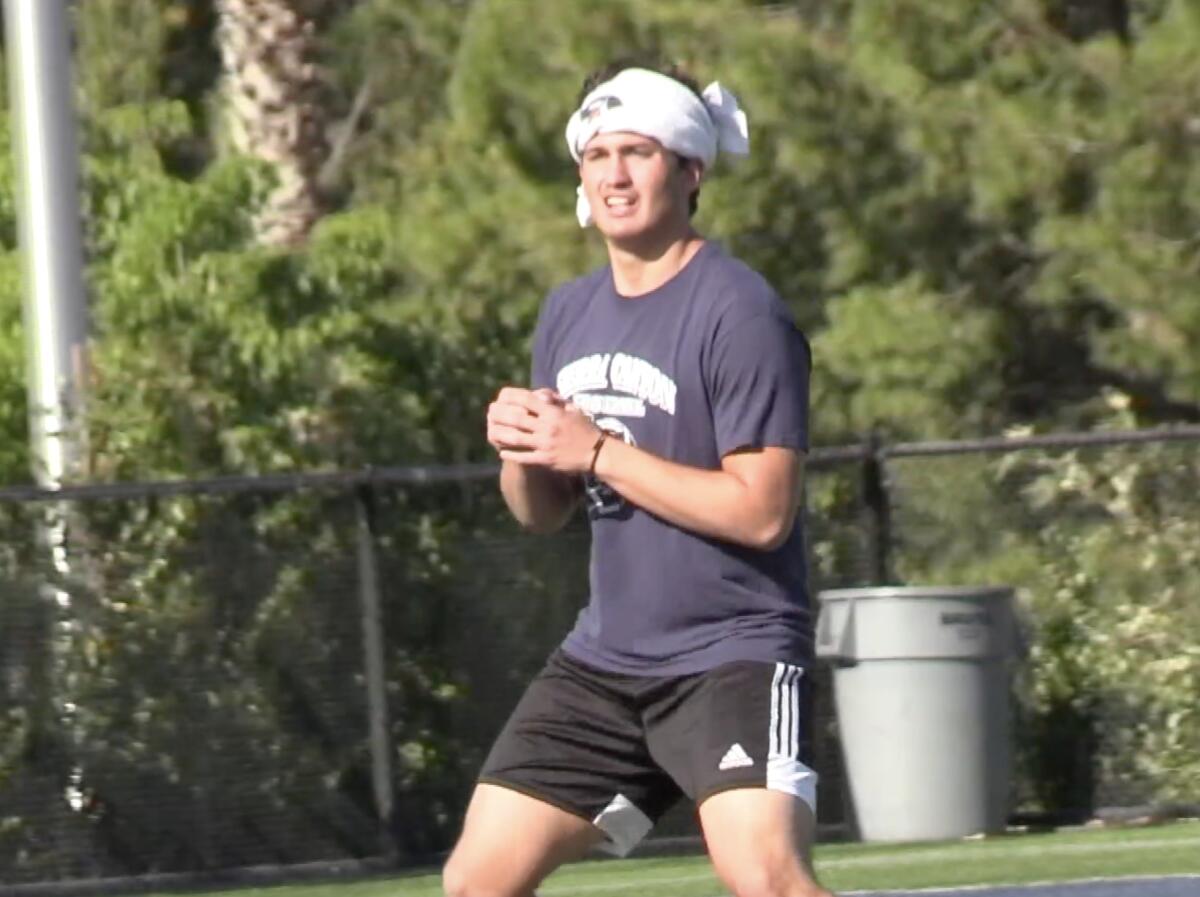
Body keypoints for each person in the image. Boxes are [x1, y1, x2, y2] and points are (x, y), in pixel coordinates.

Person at [444, 59, 832, 897]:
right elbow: (541, 514)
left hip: (732, 654)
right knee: (476, 882)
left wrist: (595, 451)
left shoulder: (740, 311)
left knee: (767, 879)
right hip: (606, 663)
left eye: (640, 153)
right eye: (598, 153)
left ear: (690, 170)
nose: (615, 174)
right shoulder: (567, 312)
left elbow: (764, 513)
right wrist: (522, 447)